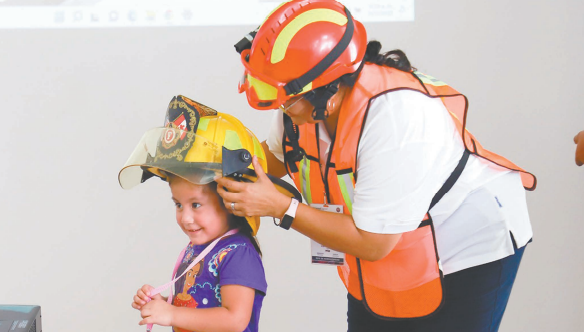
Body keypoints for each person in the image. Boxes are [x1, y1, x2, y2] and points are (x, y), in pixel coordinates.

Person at [218, 1, 537, 331]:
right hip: (390, 237)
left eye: (281, 95)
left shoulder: (396, 118)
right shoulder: (301, 101)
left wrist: (282, 207)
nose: (279, 105)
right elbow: (273, 158)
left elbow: (373, 243)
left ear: (328, 92)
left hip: (469, 242)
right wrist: (212, 159)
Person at [118, 95, 282, 332]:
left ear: (230, 199)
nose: (185, 218)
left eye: (195, 205)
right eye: (178, 204)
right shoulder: (199, 248)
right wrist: (162, 305)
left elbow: (235, 319)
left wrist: (172, 314)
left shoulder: (238, 254)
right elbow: (196, 309)